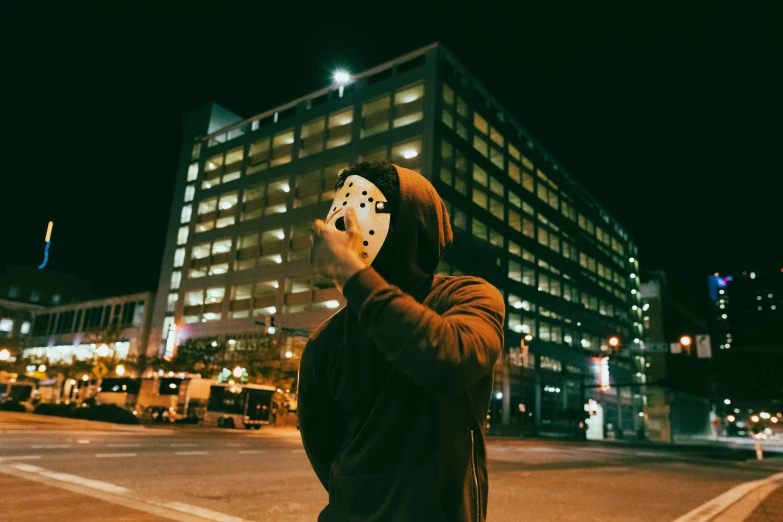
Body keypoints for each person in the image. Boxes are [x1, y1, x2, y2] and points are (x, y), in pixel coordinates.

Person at [299, 160, 505, 522]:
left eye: (357, 211)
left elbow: (449, 361)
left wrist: (349, 272)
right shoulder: (325, 342)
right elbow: (324, 450)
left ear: (410, 225)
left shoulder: (469, 297)